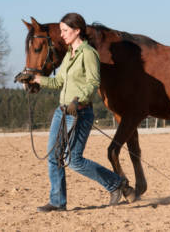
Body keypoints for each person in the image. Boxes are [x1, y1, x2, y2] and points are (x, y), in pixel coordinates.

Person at [29, 13, 126, 212]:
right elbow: (58, 82)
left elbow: (93, 82)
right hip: (61, 112)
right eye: (62, 31)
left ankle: (116, 183)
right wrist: (35, 79)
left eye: (65, 31)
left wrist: (78, 100)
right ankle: (57, 201)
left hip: (79, 112)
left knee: (73, 160)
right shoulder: (69, 55)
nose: (62, 35)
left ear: (77, 31)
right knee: (54, 156)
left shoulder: (88, 54)